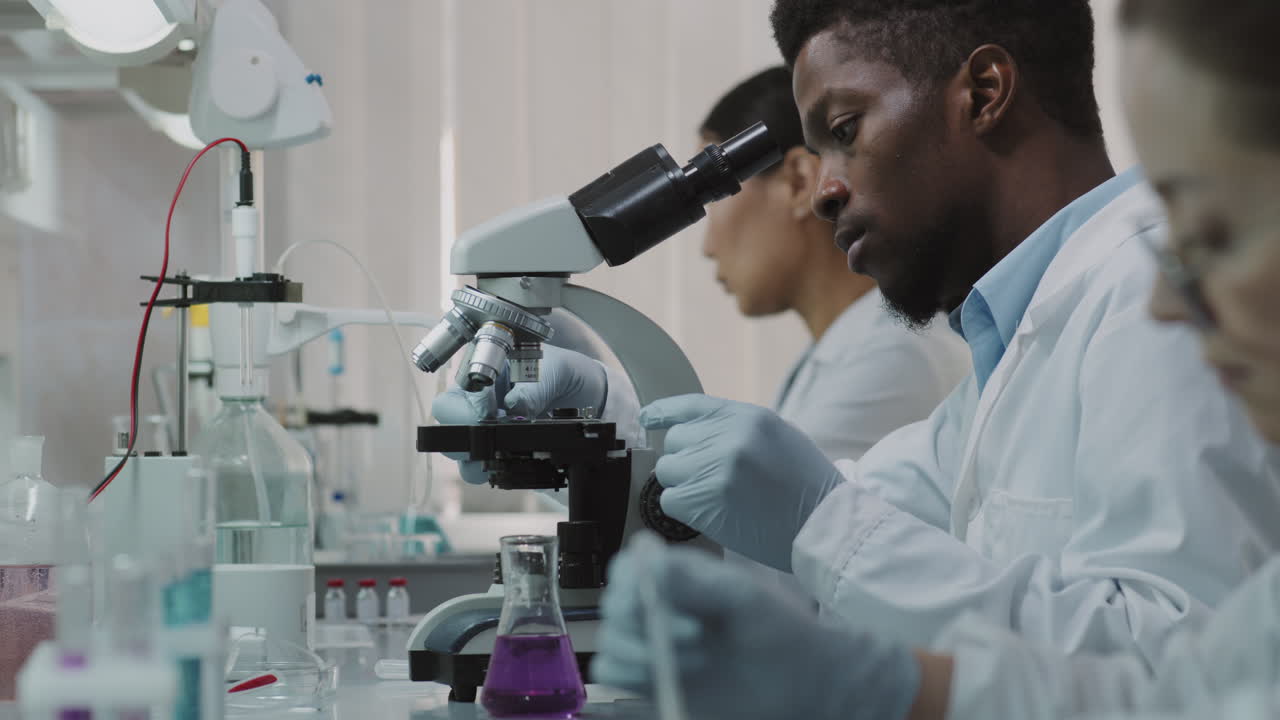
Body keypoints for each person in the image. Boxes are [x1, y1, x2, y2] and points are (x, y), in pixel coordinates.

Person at [446, 0, 1279, 662]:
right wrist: (606, 423)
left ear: (984, 93)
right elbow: (831, 540)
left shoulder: (1149, 300)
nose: (824, 190)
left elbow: (1177, 663)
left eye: (845, 131)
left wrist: (821, 524)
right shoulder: (1020, 330)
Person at [698, 66, 969, 461]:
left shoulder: (897, 358)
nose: (707, 246)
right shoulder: (839, 352)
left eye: (714, 198)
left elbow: (748, 508)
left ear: (798, 183)